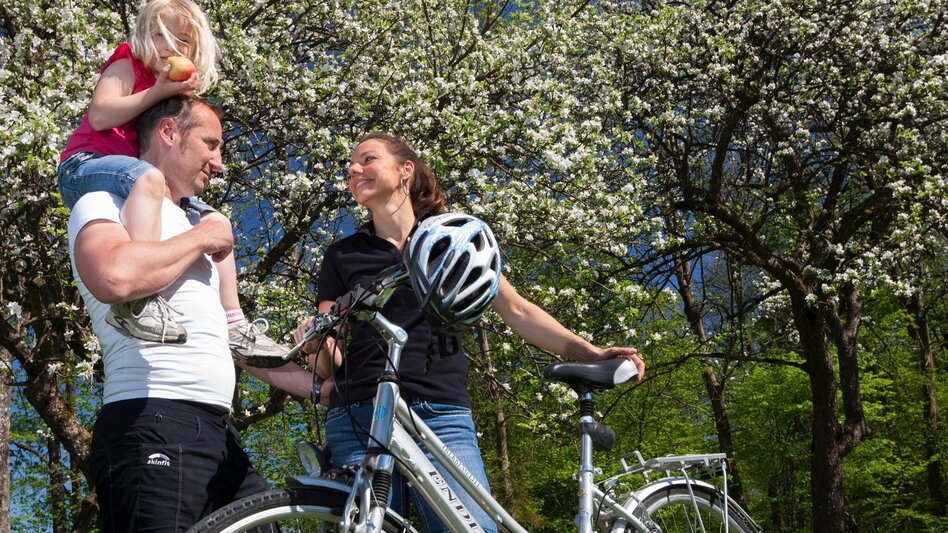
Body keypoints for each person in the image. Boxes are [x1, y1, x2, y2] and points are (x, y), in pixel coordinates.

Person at [293, 132, 646, 532]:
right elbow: (328, 360)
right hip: (363, 414)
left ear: (405, 170)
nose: (354, 170)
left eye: (367, 159)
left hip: (441, 414)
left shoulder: (450, 239)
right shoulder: (343, 254)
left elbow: (517, 310)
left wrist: (592, 353)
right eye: (350, 166)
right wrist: (314, 344)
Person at [68, 95, 314, 532]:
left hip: (220, 434)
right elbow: (116, 277)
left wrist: (325, 390)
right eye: (210, 144)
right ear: (168, 133)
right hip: (151, 419)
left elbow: (238, 337)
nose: (219, 162)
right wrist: (203, 239)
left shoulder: (201, 222)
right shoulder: (104, 199)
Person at [57, 0, 283, 359]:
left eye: (182, 41)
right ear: (144, 35)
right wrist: (158, 92)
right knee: (148, 177)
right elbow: (100, 114)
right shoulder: (128, 62)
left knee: (214, 220)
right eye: (161, 36)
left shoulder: (174, 88)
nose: (169, 47)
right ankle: (138, 301)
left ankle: (234, 322)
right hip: (85, 163)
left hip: (129, 173)